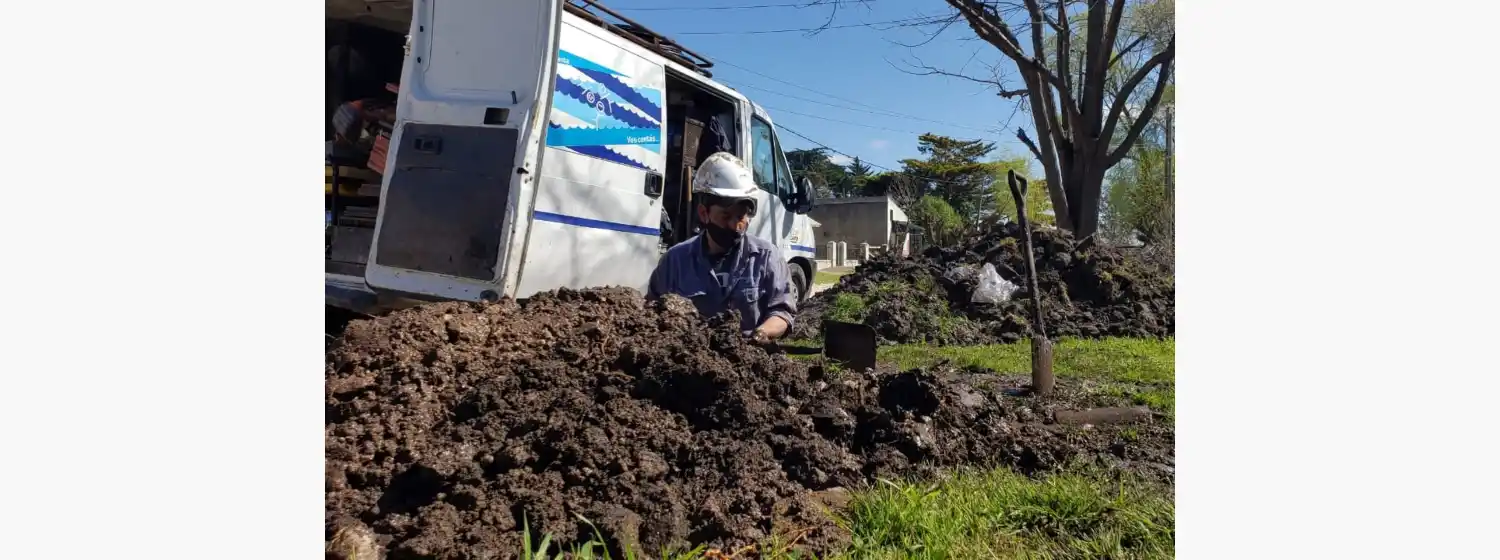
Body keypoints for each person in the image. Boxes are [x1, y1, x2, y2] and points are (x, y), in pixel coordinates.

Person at [646, 152, 796, 343]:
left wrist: (761, 334)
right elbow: (651, 314)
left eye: (741, 217)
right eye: (726, 216)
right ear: (703, 213)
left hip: (750, 362)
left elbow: (783, 312)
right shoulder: (675, 261)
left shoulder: (767, 257)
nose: (735, 225)